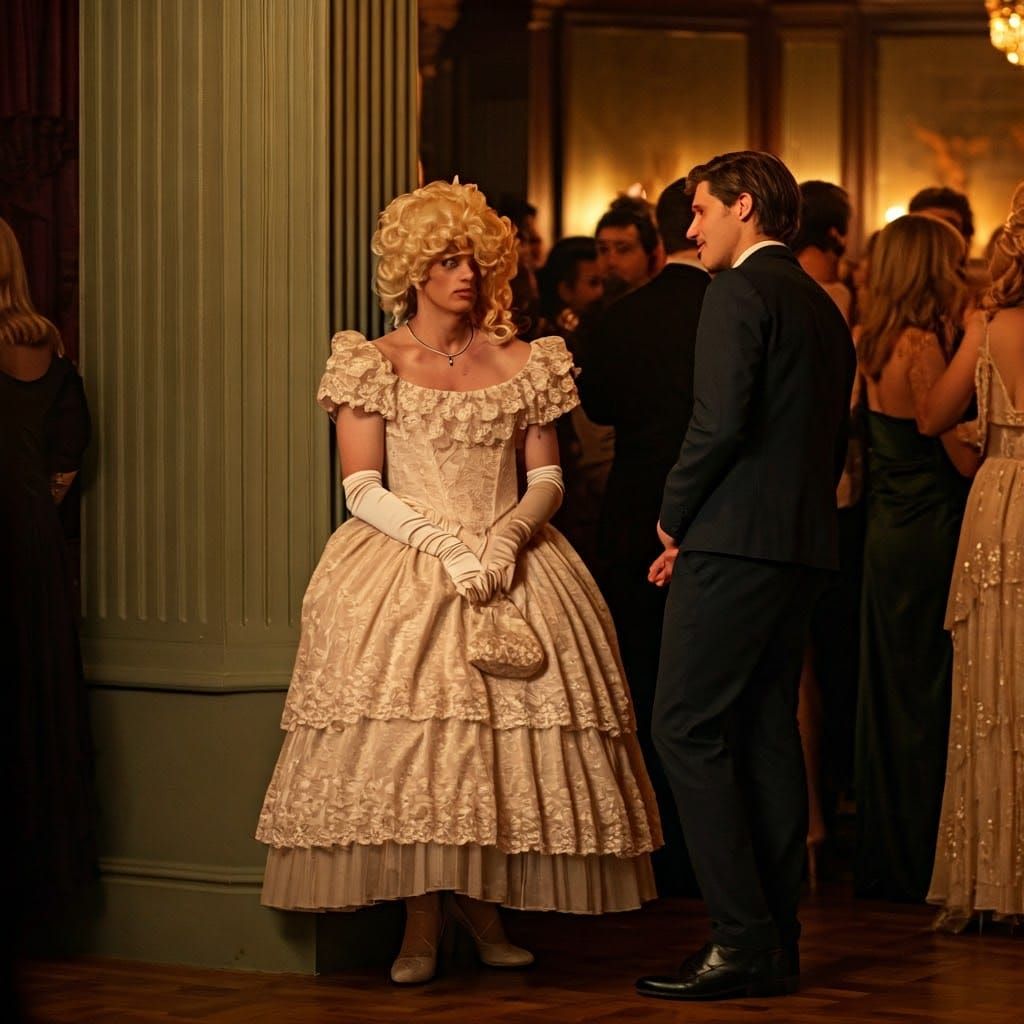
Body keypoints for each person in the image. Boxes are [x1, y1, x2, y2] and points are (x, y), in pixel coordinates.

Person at [255, 180, 662, 986]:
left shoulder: (525, 359)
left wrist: (510, 535)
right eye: (447, 260)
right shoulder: (371, 362)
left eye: (475, 259)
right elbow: (363, 486)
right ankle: (419, 919)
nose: (465, 274)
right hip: (404, 564)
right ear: (414, 269)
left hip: (518, 561)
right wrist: (445, 546)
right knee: (418, 747)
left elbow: (546, 474)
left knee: (496, 749)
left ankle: (483, 908)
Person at [635, 151, 855, 1002]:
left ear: (744, 207)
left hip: (733, 542)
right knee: (765, 729)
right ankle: (773, 941)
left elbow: (719, 422)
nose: (691, 232)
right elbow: (821, 440)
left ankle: (737, 939)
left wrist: (676, 517)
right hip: (801, 544)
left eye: (699, 212)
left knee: (685, 729)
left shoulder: (738, 292)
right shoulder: (819, 303)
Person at [577, 177, 709, 897]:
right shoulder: (729, 308)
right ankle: (707, 851)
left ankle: (650, 843)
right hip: (714, 512)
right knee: (712, 688)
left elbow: (595, 404)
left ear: (658, 243)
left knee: (640, 681)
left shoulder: (621, 320)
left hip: (633, 510)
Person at [854, 214, 977, 905]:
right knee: (929, 693)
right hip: (931, 526)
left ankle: (891, 852)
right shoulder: (921, 344)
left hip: (888, 529)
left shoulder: (869, 342)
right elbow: (957, 456)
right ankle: (925, 853)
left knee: (895, 689)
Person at [920, 180, 1024, 931]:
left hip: (998, 504)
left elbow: (932, 416)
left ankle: (998, 877)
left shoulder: (990, 327)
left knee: (995, 691)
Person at [0, 217, 94, 941]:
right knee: (34, 717)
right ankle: (38, 906)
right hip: (33, 545)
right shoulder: (48, 347)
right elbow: (63, 468)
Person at [792, 180, 861, 884]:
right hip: (831, 495)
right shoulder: (832, 299)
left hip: (799, 495)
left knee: (801, 666)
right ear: (836, 234)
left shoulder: (779, 293)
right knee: (816, 667)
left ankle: (806, 818)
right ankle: (816, 819)